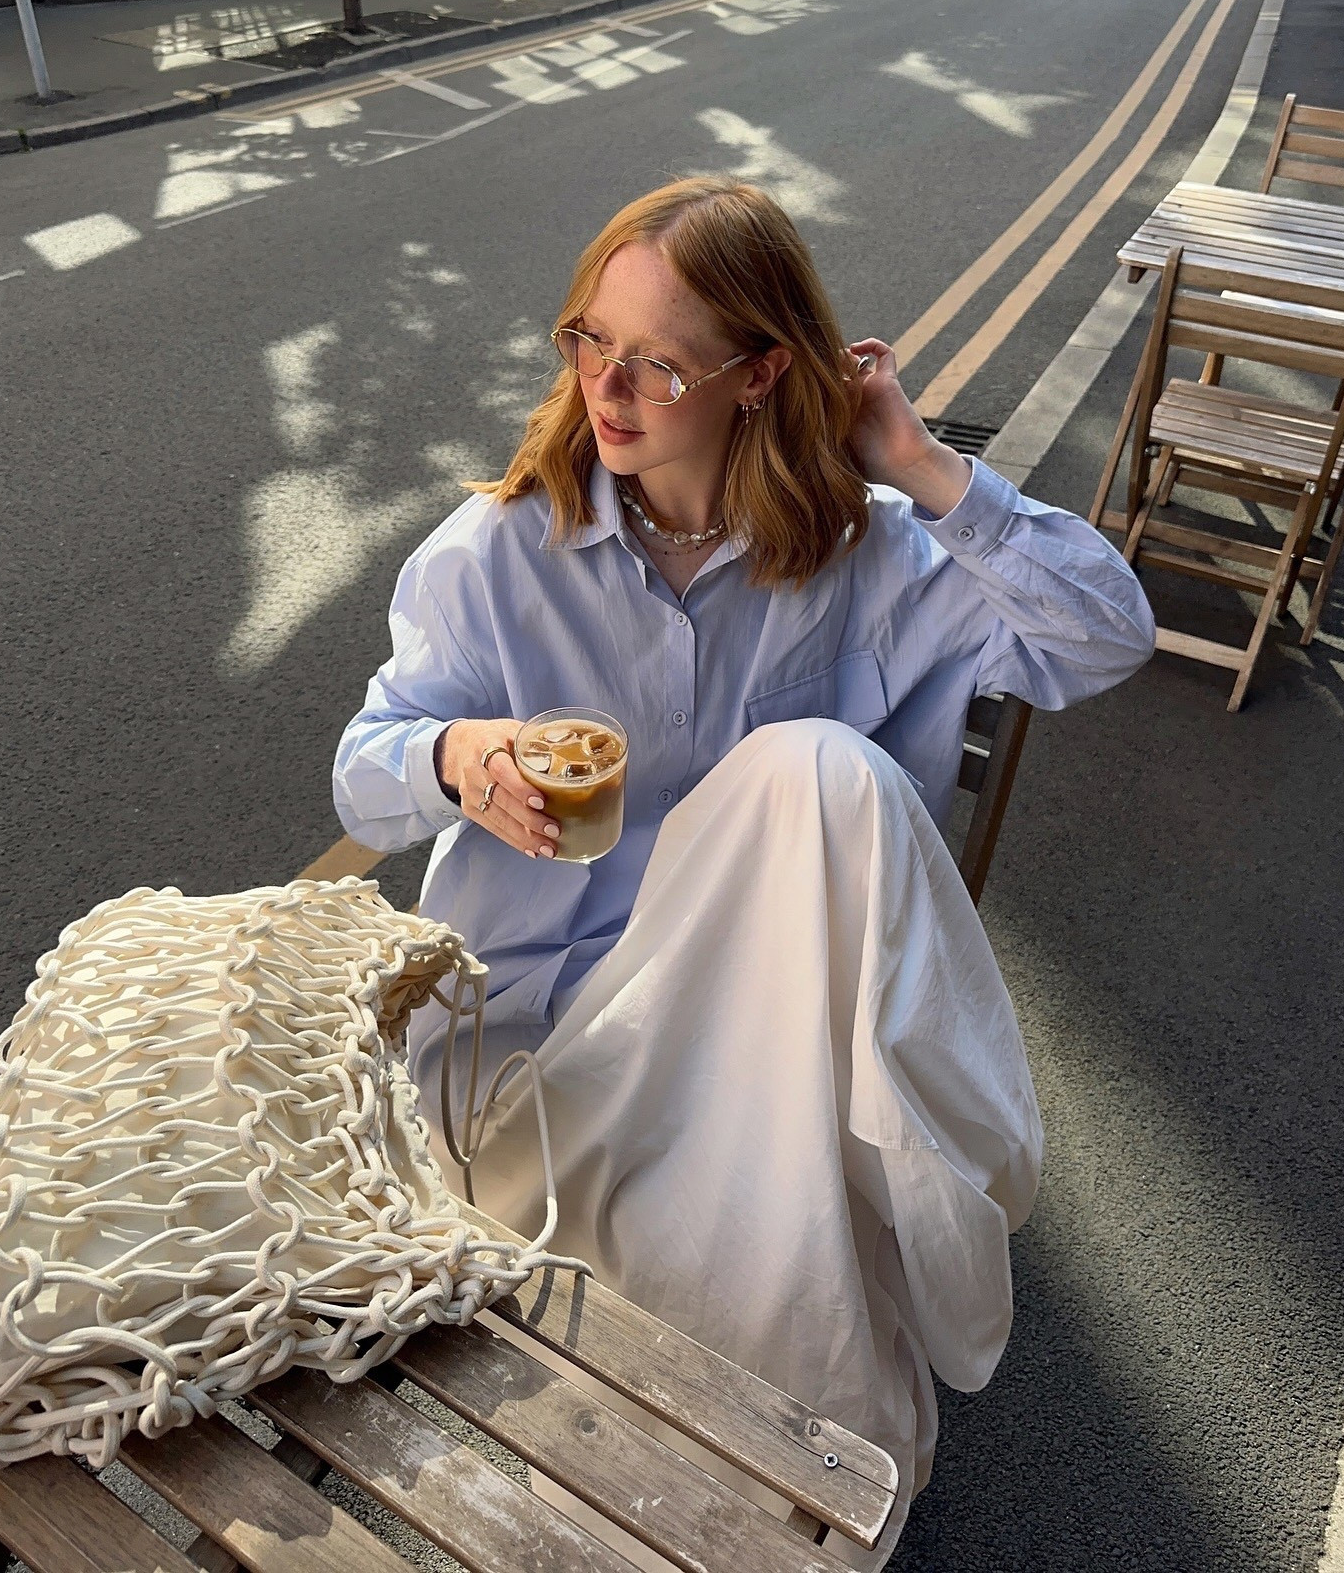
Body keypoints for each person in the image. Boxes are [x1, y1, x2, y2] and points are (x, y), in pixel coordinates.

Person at [334, 177, 1154, 1564]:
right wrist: (464, 753)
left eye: (662, 359)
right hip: (536, 1049)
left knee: (816, 773)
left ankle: (752, 1485)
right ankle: (760, 1445)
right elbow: (363, 767)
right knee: (818, 783)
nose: (614, 387)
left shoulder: (864, 555)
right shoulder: (503, 553)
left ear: (765, 372)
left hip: (757, 1037)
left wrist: (923, 464)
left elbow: (1105, 637)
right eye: (593, 341)